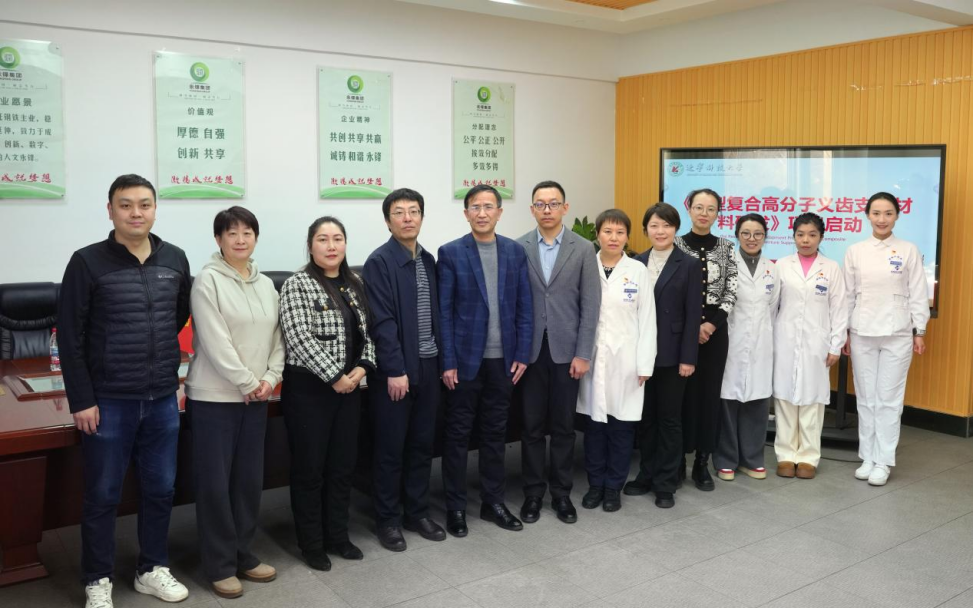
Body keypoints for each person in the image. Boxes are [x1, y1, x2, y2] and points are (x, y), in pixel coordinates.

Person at [57, 174, 192, 608]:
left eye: (144, 204)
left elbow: (177, 317)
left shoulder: (175, 258)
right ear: (110, 210)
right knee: (102, 494)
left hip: (161, 398)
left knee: (161, 489)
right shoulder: (87, 261)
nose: (136, 213)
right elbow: (70, 336)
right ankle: (97, 578)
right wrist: (82, 399)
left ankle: (152, 568)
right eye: (126, 204)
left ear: (155, 209)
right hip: (109, 400)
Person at [185, 207, 285, 598]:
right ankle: (219, 564)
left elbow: (279, 336)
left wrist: (270, 378)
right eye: (231, 233)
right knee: (215, 485)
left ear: (256, 238)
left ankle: (244, 554)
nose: (240, 239)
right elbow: (215, 341)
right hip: (215, 398)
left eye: (247, 232)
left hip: (256, 396)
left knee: (247, 482)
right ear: (218, 239)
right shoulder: (207, 281)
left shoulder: (266, 284)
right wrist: (247, 381)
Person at [279, 216, 376, 571]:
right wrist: (336, 377)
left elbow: (370, 333)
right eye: (323, 239)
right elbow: (298, 337)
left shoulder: (355, 283)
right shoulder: (297, 284)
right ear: (310, 246)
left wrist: (362, 368)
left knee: (342, 467)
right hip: (310, 392)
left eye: (337, 238)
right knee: (310, 470)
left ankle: (338, 536)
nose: (331, 246)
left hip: (350, 389)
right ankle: (312, 543)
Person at [438, 184, 533, 536]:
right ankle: (456, 507)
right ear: (466, 214)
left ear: (499, 212)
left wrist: (522, 353)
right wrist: (448, 361)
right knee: (457, 436)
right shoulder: (451, 253)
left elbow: (525, 306)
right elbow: (443, 312)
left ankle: (493, 502)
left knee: (495, 434)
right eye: (475, 207)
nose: (482, 213)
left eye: (488, 206)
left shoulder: (514, 251)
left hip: (503, 361)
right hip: (464, 362)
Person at [363, 189, 446, 551]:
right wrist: (395, 369)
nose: (408, 218)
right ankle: (388, 520)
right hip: (396, 371)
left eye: (414, 211)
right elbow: (381, 321)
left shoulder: (428, 259)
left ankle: (417, 512)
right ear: (388, 221)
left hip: (429, 365)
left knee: (422, 444)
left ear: (422, 217)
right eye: (399, 212)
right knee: (390, 449)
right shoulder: (379, 262)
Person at [516, 180, 601, 525]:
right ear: (532, 209)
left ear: (565, 208)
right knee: (532, 427)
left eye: (553, 203)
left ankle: (562, 494)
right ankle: (533, 494)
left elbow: (590, 305)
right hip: (530, 352)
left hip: (568, 353)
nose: (547, 210)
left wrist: (584, 353)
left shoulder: (584, 248)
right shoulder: (518, 247)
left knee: (564, 428)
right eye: (540, 204)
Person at [843, 192, 929, 486]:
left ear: (897, 216)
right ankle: (867, 457)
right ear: (867, 215)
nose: (882, 219)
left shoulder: (908, 250)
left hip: (898, 333)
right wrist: (844, 331)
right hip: (862, 331)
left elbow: (918, 292)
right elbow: (847, 295)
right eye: (876, 213)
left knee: (889, 400)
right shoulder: (855, 251)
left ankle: (884, 460)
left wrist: (920, 330)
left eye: (888, 213)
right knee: (866, 398)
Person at [577, 209, 656, 513]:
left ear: (627, 237)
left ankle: (613, 488)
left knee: (622, 428)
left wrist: (645, 364)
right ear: (597, 234)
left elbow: (647, 320)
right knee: (595, 428)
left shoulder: (637, 270)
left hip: (627, 362)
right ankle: (595, 485)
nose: (613, 238)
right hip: (592, 360)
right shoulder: (587, 266)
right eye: (608, 231)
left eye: (620, 232)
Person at [624, 202, 701, 509]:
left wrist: (688, 358)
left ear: (675, 229)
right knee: (646, 419)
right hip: (641, 354)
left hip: (672, 354)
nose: (660, 231)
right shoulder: (636, 262)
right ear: (646, 229)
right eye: (654, 225)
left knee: (669, 420)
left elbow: (693, 314)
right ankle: (646, 474)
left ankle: (666, 483)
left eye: (666, 225)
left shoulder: (689, 264)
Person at [773, 212, 848, 480]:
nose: (806, 240)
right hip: (784, 339)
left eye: (812, 235)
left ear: (821, 237)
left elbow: (840, 308)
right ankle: (785, 455)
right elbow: (772, 306)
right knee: (784, 397)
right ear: (793, 236)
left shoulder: (831, 268)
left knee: (813, 400)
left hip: (818, 342)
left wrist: (836, 345)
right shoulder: (782, 265)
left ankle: (808, 456)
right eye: (800, 234)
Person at [674, 188, 738, 491]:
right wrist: (690, 327)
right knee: (680, 395)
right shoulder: (675, 244)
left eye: (711, 209)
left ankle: (702, 461)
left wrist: (711, 325)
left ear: (717, 214)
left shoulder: (727, 247)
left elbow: (731, 291)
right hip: (678, 331)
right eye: (699, 207)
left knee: (709, 397)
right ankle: (676, 460)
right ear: (688, 209)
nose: (704, 213)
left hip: (715, 331)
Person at [714, 214, 780, 482]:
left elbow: (772, 308)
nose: (752, 239)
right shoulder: (728, 264)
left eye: (758, 234)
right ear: (737, 235)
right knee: (728, 400)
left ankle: (752, 459)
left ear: (765, 236)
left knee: (757, 399)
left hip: (760, 343)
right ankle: (726, 459)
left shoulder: (772, 269)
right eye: (746, 233)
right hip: (731, 340)